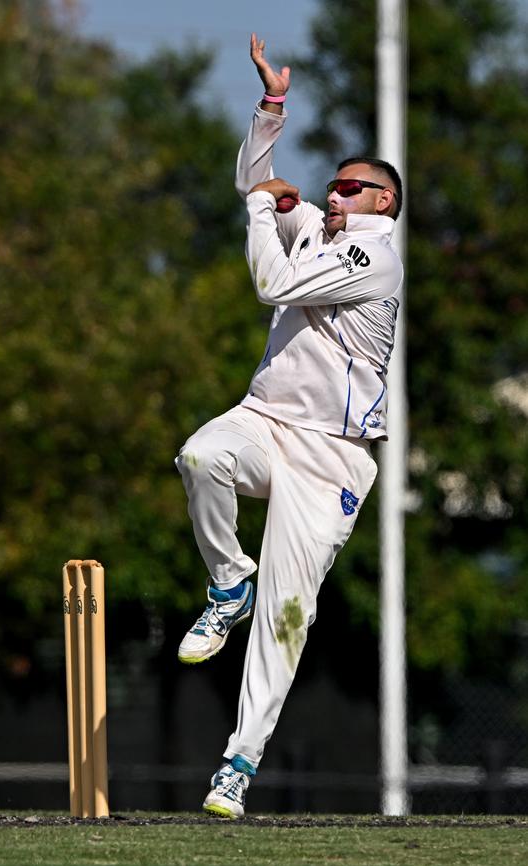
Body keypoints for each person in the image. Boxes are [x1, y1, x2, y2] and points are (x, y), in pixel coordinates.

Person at [175, 33, 404, 819]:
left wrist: (259, 214)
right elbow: (252, 178)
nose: (333, 194)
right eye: (332, 183)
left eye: (351, 187)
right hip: (265, 418)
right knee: (200, 455)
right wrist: (272, 108)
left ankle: (238, 763)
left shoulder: (373, 258)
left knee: (288, 612)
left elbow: (271, 284)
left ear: (383, 203)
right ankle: (225, 577)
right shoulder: (319, 226)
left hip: (332, 459)